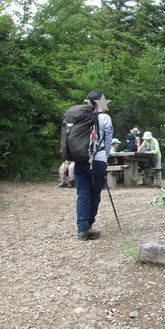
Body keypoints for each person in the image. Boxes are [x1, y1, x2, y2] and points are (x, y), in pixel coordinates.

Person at [74, 90, 113, 241]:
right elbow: (108, 141)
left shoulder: (79, 116)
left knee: (83, 193)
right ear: (98, 103)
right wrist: (106, 159)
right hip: (98, 159)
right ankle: (89, 225)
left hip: (81, 158)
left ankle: (82, 229)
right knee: (95, 194)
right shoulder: (105, 118)